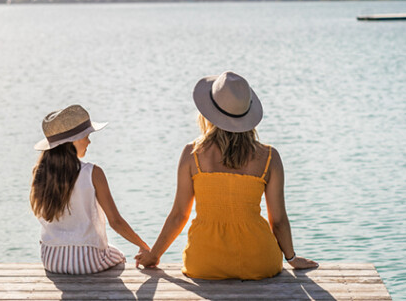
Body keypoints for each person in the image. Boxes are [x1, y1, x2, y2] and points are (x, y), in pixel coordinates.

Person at [135, 71, 318, 279]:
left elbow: (179, 215)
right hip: (260, 261)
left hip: (203, 262)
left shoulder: (192, 154)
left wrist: (154, 255)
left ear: (208, 113)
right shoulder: (269, 157)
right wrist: (292, 258)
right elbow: (278, 220)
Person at [31, 105, 149, 274]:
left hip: (51, 258)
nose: (89, 141)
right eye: (86, 136)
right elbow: (115, 221)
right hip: (87, 260)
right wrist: (143, 246)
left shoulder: (39, 173)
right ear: (74, 140)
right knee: (119, 256)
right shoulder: (93, 173)